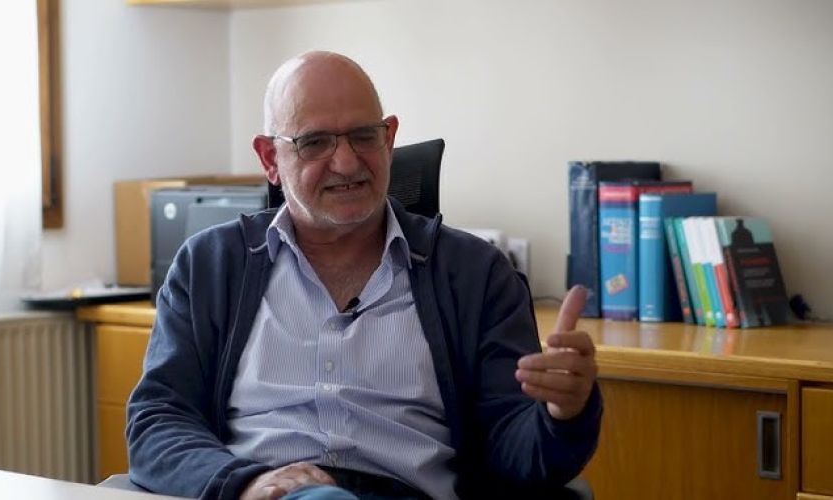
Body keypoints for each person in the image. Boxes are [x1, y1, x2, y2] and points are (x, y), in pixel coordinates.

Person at [126, 51, 601, 500]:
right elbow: (158, 421)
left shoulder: (477, 275)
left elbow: (519, 458)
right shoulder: (209, 267)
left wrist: (562, 413)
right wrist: (243, 483)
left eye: (363, 136)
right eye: (315, 142)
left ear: (389, 139)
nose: (347, 163)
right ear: (270, 159)